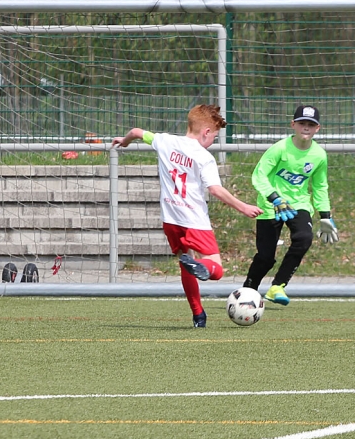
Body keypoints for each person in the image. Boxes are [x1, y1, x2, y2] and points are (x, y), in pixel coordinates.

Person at [111, 104, 261, 327]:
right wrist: (243, 207)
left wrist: (124, 141)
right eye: (214, 136)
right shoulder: (203, 157)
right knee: (216, 270)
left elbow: (136, 132)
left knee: (185, 263)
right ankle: (201, 266)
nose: (213, 142)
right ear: (206, 132)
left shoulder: (165, 141)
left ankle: (198, 315)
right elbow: (215, 189)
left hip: (170, 219)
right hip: (194, 221)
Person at [242, 105, 339, 305]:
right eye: (302, 123)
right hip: (271, 205)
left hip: (298, 204)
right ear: (293, 124)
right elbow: (259, 175)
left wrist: (325, 215)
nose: (306, 127)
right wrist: (274, 198)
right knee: (266, 257)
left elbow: (320, 186)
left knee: (304, 238)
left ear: (317, 128)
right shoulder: (279, 149)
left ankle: (277, 286)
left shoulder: (319, 155)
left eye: (311, 124)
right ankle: (247, 290)